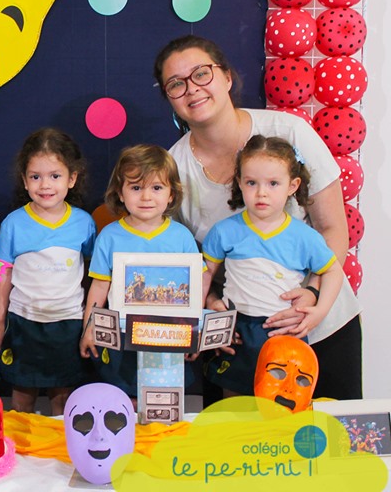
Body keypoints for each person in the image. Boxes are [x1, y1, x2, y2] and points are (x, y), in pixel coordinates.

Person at [154, 34, 362, 399]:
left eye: (202, 74)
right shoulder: (172, 170)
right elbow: (193, 265)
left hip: (318, 328)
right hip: (239, 339)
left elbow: (332, 227)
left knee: (329, 445)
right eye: (176, 83)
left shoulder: (289, 132)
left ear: (227, 77)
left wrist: (312, 295)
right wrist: (213, 310)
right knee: (240, 445)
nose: (192, 89)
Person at [201, 135, 344, 396]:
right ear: (240, 183)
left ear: (293, 185)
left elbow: (333, 270)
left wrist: (320, 310)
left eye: (273, 183)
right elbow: (205, 273)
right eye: (251, 182)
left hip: (283, 331)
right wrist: (208, 310)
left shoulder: (304, 237)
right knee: (235, 405)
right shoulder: (224, 231)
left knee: (284, 401)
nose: (261, 192)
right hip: (237, 332)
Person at [80, 144, 199, 397]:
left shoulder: (181, 237)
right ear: (120, 193)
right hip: (121, 336)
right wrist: (89, 327)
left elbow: (193, 292)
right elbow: (99, 287)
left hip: (168, 336)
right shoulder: (110, 236)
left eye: (156, 188)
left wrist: (193, 331)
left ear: (171, 194)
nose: (146, 197)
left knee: (164, 399)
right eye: (136, 188)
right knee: (124, 397)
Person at [0, 128, 95, 414]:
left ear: (72, 178)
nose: (45, 185)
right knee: (22, 392)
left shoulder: (83, 223)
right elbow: (3, 272)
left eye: (55, 176)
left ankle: (60, 452)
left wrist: (88, 320)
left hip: (68, 323)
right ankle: (23, 452)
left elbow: (91, 273)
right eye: (35, 177)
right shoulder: (14, 223)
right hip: (24, 322)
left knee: (63, 395)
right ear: (24, 180)